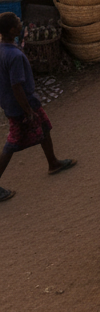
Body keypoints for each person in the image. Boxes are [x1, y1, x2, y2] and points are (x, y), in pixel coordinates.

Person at [0, 12, 76, 201]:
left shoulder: (4, 49)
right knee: (12, 143)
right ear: (12, 29)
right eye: (18, 22)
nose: (21, 23)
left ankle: (53, 162)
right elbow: (16, 86)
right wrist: (27, 111)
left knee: (44, 127)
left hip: (17, 102)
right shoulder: (14, 55)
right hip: (22, 105)